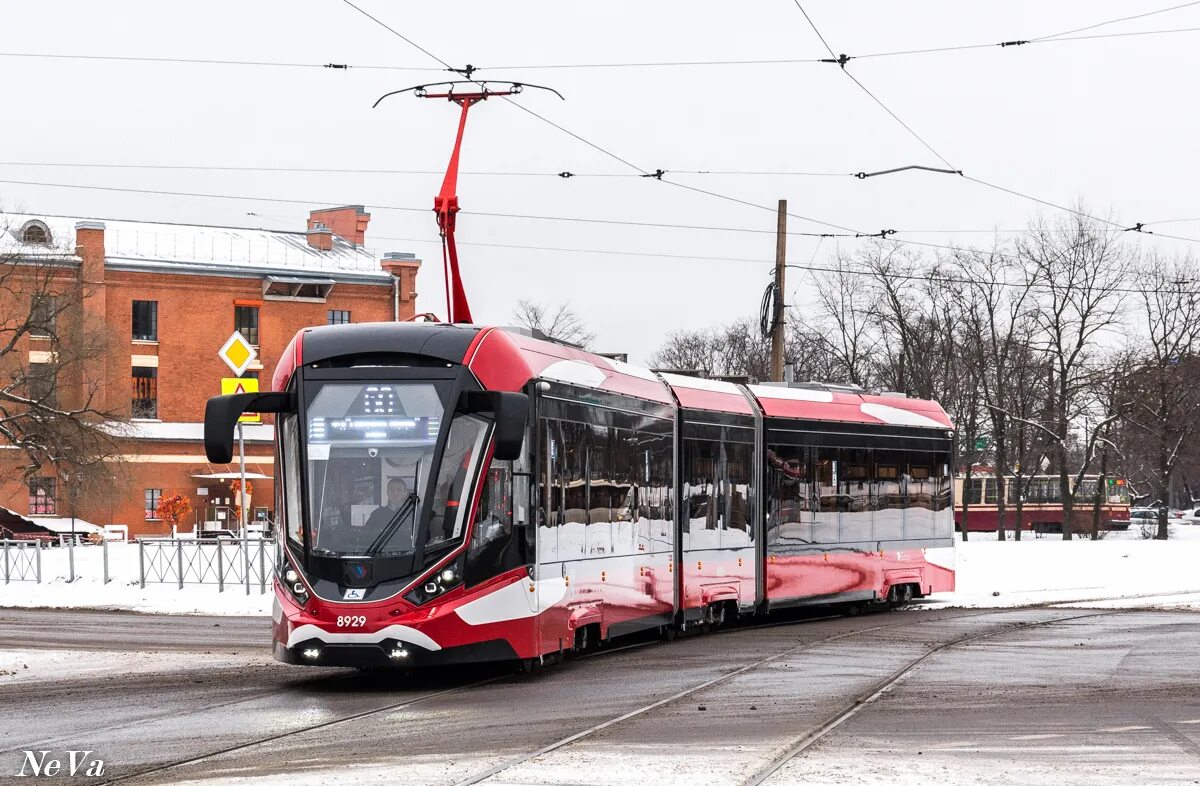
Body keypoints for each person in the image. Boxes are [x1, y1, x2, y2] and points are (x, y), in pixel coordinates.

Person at [362, 477, 415, 551]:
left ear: (405, 493)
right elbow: (365, 536)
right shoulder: (377, 514)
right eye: (392, 489)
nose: (395, 492)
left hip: (409, 556)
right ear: (387, 492)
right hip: (381, 555)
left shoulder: (414, 514)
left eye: (399, 490)